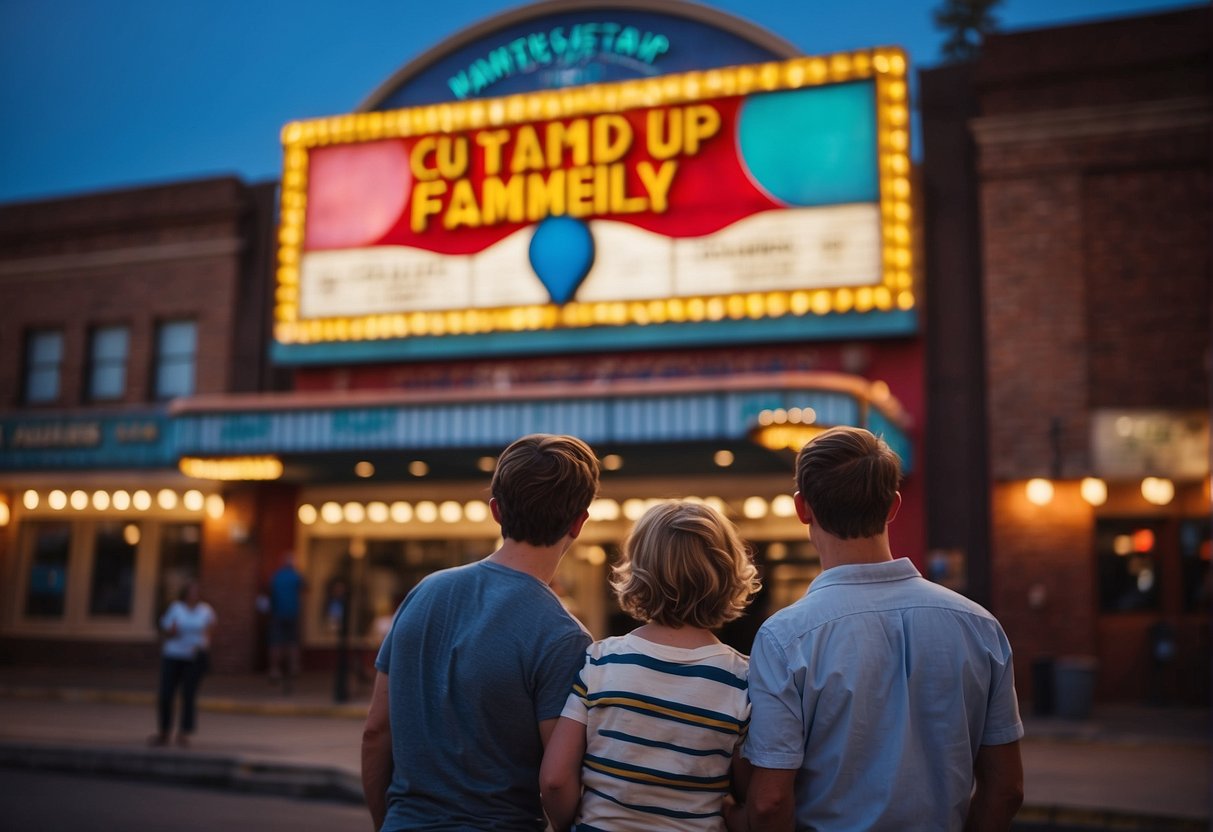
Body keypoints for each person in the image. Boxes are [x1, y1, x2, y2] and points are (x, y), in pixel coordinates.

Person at [741, 426, 1024, 831]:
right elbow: (1007, 789)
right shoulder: (979, 626)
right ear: (893, 506)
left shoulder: (785, 638)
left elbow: (769, 802)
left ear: (802, 508)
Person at [361, 433, 600, 831]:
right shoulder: (565, 637)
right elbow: (557, 781)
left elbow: (375, 732)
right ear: (579, 522)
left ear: (496, 511)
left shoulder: (424, 593)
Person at [541, 500, 761, 832]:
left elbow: (556, 779)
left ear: (638, 571)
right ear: (727, 574)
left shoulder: (602, 661)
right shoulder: (741, 680)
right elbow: (748, 791)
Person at [150, 580, 216, 748]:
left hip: (194, 657)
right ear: (185, 593)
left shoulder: (205, 610)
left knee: (188, 694)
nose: (194, 594)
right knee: (166, 694)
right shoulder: (175, 608)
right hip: (173, 655)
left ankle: (184, 733)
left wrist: (204, 645)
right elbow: (165, 629)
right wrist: (171, 632)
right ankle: (164, 731)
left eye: (196, 591)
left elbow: (210, 629)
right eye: (191, 591)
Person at [267, 550, 305, 689]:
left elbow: (270, 593)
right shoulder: (296, 576)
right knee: (292, 642)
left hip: (277, 614)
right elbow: (305, 591)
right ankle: (293, 668)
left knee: (277, 643)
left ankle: (275, 670)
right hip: (291, 614)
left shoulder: (276, 576)